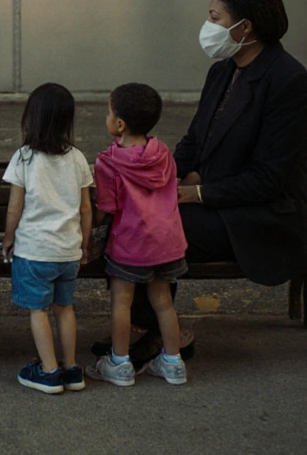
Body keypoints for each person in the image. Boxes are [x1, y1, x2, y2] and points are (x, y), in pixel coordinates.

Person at [105, 0, 307, 366]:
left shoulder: (289, 82)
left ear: (245, 27)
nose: (208, 26)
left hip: (260, 216)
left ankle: (159, 336)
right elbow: (193, 142)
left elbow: (272, 178)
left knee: (151, 225)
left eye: (214, 17)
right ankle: (147, 329)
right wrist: (154, 173)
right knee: (135, 211)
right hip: (221, 204)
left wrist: (197, 193)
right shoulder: (223, 71)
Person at [87, 83, 188, 387]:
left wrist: (91, 226)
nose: (106, 117)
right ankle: (173, 363)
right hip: (168, 243)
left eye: (108, 112)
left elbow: (107, 206)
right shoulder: (163, 153)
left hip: (130, 245)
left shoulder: (109, 161)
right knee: (163, 302)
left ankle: (119, 364)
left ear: (119, 124)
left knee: (122, 302)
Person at [0, 83, 94, 395]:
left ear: (31, 118)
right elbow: (85, 207)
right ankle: (71, 369)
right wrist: (84, 245)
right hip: (68, 253)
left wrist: (7, 239)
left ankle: (49, 371)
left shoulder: (25, 158)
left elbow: (15, 207)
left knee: (38, 310)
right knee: (64, 308)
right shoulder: (77, 158)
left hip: (35, 252)